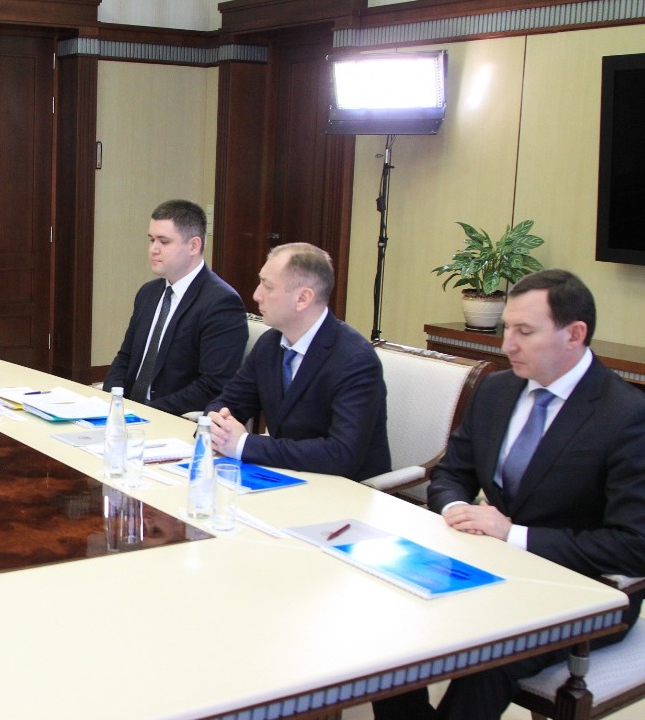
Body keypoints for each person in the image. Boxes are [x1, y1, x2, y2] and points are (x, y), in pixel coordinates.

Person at [373, 269, 645, 720]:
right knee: (387, 617)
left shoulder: (626, 416)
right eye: (507, 329)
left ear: (575, 334)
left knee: (490, 656)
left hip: (583, 588)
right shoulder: (498, 390)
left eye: (525, 331)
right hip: (486, 565)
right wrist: (456, 507)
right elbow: (452, 472)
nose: (507, 345)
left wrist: (513, 535)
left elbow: (634, 546)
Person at [205, 242, 390, 481]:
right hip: (285, 476)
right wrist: (216, 424)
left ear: (302, 298)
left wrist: (243, 444)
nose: (256, 295)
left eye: (267, 286)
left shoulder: (355, 360)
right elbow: (229, 401)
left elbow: (341, 454)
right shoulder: (269, 344)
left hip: (346, 489)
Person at [103, 199, 248, 416]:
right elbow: (125, 357)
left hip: (172, 417)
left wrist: (147, 413)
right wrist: (113, 401)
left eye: (164, 241)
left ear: (194, 246)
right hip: (128, 414)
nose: (153, 249)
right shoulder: (148, 293)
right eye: (151, 240)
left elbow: (212, 385)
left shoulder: (221, 303)